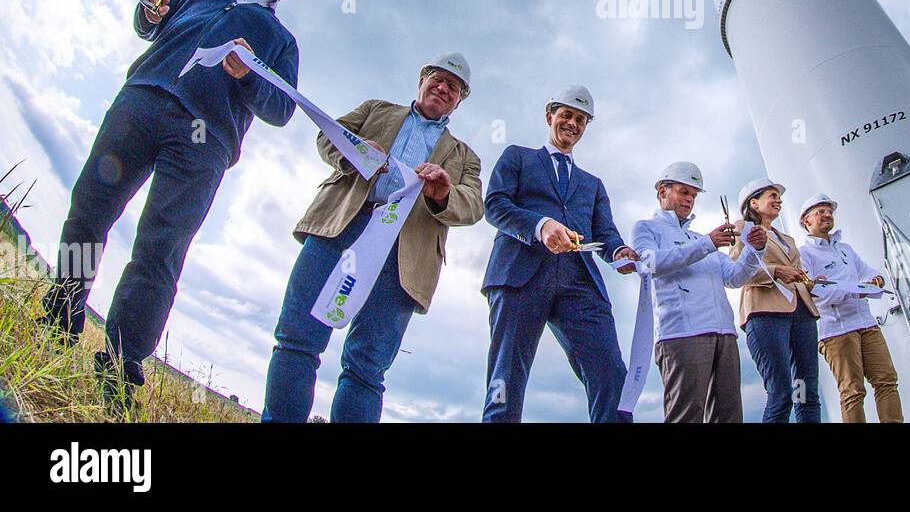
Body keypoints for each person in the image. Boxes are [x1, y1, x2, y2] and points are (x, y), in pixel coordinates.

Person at [40, 0, 307, 411]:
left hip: (204, 143)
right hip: (141, 101)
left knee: (161, 247)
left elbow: (283, 108)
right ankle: (62, 312)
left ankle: (121, 365)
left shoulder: (282, 42)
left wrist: (248, 75)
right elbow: (150, 21)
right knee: (89, 210)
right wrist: (148, 10)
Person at [261, 53, 484, 423]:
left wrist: (444, 193)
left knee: (367, 367)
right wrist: (356, 154)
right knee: (297, 337)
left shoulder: (465, 157)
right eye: (438, 78)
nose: (443, 88)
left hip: (403, 257)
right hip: (340, 229)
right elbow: (328, 136)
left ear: (460, 99)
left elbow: (473, 204)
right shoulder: (375, 109)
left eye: (454, 87)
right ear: (421, 79)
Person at [480, 85, 639, 422]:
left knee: (610, 372)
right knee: (506, 377)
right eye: (566, 115)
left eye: (581, 119)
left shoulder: (593, 184)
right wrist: (541, 225)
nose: (573, 123)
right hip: (520, 275)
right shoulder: (517, 157)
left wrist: (620, 251)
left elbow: (606, 234)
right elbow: (495, 206)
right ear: (549, 115)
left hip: (579, 283)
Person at [629, 162, 768, 423]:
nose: (690, 200)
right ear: (662, 192)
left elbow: (734, 277)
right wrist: (708, 243)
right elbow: (649, 263)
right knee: (686, 417)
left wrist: (753, 249)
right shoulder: (646, 228)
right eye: (684, 192)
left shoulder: (699, 238)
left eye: (693, 195)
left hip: (724, 335)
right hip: (682, 334)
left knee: (729, 417)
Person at [798, 194, 904, 424]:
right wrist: (853, 290)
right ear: (806, 221)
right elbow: (813, 292)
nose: (827, 215)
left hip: (866, 323)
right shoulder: (803, 254)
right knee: (852, 391)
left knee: (886, 380)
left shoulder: (845, 249)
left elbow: (866, 271)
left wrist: (875, 279)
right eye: (820, 212)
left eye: (829, 211)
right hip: (836, 330)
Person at [730, 179, 821, 423]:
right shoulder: (742, 229)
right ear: (754, 202)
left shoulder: (788, 240)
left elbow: (799, 277)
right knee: (781, 392)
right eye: (772, 195)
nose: (778, 199)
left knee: (806, 392)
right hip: (766, 314)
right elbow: (734, 270)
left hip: (801, 315)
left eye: (778, 196)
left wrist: (814, 282)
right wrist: (775, 271)